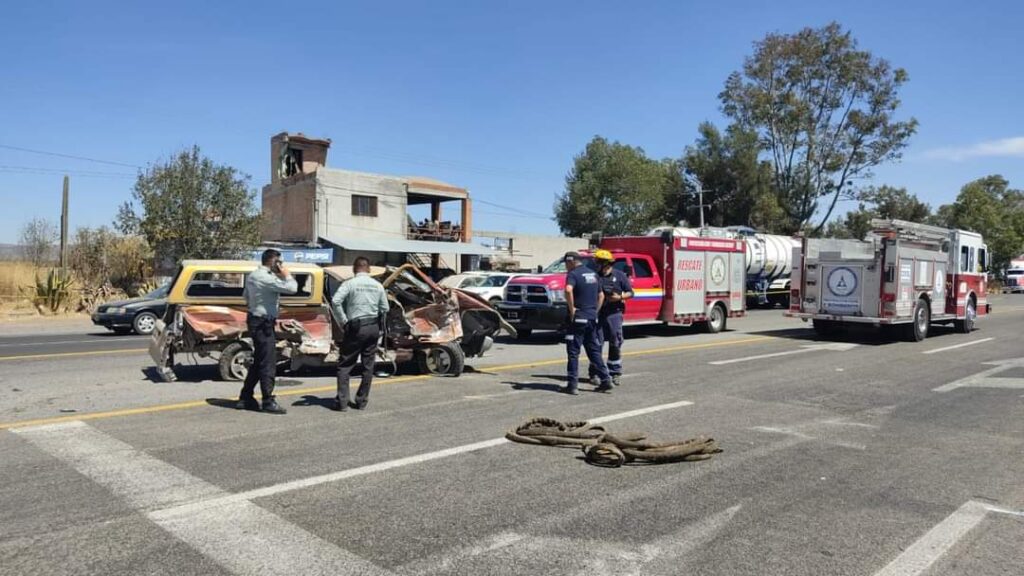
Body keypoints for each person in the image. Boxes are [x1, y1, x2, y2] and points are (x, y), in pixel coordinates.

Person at [238, 249, 297, 414]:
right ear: (273, 262)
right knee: (268, 362)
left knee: (259, 361)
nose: (281, 265)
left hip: (256, 319)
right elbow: (292, 288)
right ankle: (268, 400)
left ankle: (245, 397)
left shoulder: (253, 275)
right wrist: (286, 274)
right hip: (263, 323)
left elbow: (246, 297)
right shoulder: (266, 278)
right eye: (279, 262)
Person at [331, 256, 389, 411]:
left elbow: (335, 301)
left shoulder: (349, 284)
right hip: (373, 327)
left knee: (345, 365)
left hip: (356, 327)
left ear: (354, 269)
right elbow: (385, 308)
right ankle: (362, 401)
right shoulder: (377, 286)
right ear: (368, 269)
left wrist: (343, 321)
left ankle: (342, 402)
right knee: (368, 366)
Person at [563, 251, 612, 395]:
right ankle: (605, 380)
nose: (566, 266)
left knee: (573, 352)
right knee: (594, 351)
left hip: (578, 318)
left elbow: (568, 290)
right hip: (591, 318)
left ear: (571, 262)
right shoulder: (593, 274)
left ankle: (572, 385)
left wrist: (572, 310)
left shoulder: (573, 274)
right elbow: (601, 295)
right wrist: (595, 312)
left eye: (566, 263)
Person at [593, 249, 633, 387]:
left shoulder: (620, 276)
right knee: (596, 344)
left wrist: (620, 297)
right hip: (598, 313)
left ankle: (614, 372)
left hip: (614, 313)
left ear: (606, 263)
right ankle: (595, 372)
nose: (596, 265)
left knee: (615, 342)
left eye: (598, 263)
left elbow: (630, 293)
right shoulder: (595, 277)